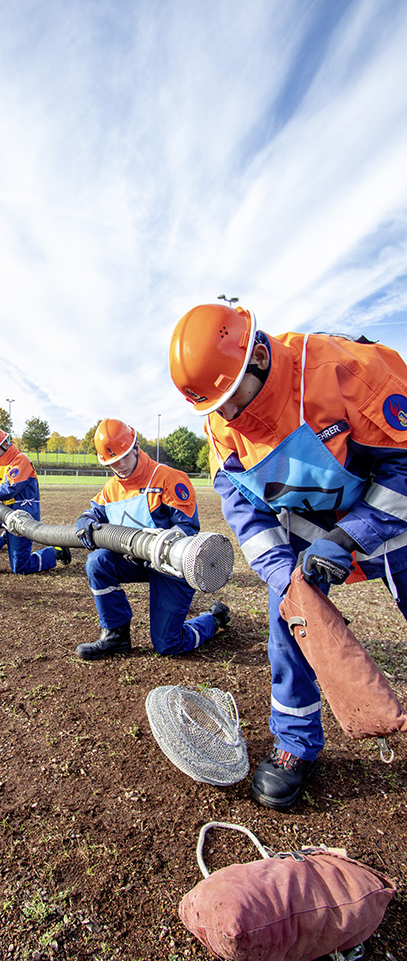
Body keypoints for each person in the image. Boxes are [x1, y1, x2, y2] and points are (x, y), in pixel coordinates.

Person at [169, 301, 407, 811]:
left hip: (393, 517)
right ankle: (294, 744)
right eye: (216, 409)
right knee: (287, 617)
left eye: (232, 399)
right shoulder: (221, 423)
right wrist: (286, 578)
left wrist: (347, 538)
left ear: (258, 355)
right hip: (308, 529)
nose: (228, 417)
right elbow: (245, 514)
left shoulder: (346, 371)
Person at [73, 419, 230, 660]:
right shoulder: (111, 488)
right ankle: (116, 637)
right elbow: (94, 511)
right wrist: (84, 519)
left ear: (136, 447)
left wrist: (160, 545)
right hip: (135, 562)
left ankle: (214, 619)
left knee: (168, 644)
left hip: (170, 567)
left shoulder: (168, 478)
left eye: (124, 456)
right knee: (98, 561)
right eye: (113, 462)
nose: (121, 465)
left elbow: (187, 528)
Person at [0, 428, 70, 574]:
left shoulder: (21, 460)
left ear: (5, 444)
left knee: (20, 567)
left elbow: (8, 490)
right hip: (2, 514)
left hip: (22, 516)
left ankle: (56, 552)